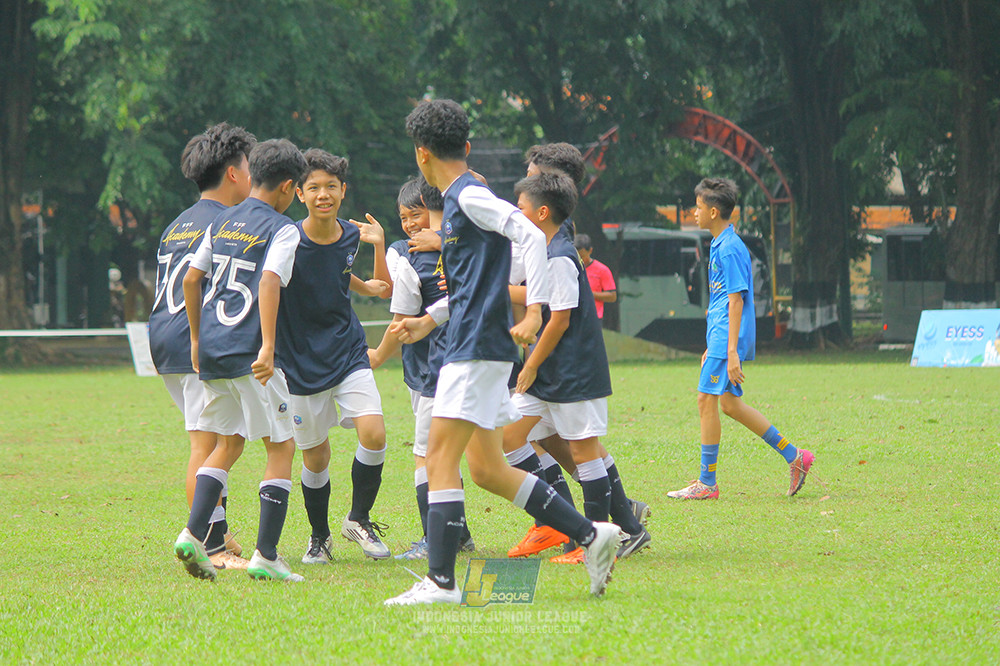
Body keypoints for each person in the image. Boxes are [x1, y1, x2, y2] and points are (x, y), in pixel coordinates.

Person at [383, 99, 623, 606]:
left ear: (421, 155)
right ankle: (592, 534)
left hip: (473, 350)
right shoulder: (463, 201)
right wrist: (431, 318)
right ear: (465, 147)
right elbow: (479, 285)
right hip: (474, 343)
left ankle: (442, 583)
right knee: (488, 470)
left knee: (440, 459)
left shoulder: (468, 196)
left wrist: (534, 311)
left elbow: (530, 232)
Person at [173, 138, 307, 583]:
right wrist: (268, 346)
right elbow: (270, 281)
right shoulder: (283, 228)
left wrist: (196, 339)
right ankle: (267, 556)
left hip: (212, 349)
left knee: (227, 444)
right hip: (252, 355)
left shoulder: (222, 220)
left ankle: (193, 533)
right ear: (289, 187)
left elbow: (193, 279)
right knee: (282, 446)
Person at [505, 173, 651, 563]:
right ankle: (556, 518)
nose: (516, 216)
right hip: (548, 373)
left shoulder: (560, 256)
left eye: (520, 209)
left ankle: (599, 541)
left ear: (542, 212)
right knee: (508, 437)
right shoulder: (546, 251)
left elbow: (560, 320)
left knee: (585, 453)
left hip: (572, 372)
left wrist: (531, 364)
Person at [277, 149, 393, 564]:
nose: (323, 194)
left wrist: (366, 284)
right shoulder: (287, 239)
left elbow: (342, 274)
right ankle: (319, 536)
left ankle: (357, 519)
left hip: (347, 349)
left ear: (343, 191)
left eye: (331, 186)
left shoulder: (349, 235)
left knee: (374, 434)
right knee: (316, 455)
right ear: (300, 195)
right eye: (314, 188)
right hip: (300, 360)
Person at [149, 122, 255, 571]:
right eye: (249, 166)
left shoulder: (178, 224)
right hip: (194, 339)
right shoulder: (229, 223)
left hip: (163, 337)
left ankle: (218, 530)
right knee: (207, 441)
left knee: (215, 437)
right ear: (233, 173)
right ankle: (206, 544)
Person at [667, 178, 814, 500]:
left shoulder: (730, 248)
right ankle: (795, 456)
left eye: (699, 207)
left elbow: (736, 300)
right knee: (730, 405)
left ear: (714, 211)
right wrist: (714, 346)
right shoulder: (721, 243)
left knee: (706, 400)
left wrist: (729, 351)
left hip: (727, 338)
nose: (694, 212)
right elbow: (723, 302)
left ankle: (707, 484)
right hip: (721, 337)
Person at [369, 176, 475, 560]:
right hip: (456, 360)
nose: (412, 224)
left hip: (437, 365)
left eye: (418, 214)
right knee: (466, 454)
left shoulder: (415, 256)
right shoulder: (468, 247)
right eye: (404, 217)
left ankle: (436, 539)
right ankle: (458, 533)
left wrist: (379, 354)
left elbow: (400, 308)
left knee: (428, 455)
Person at [573, 234, 617, 320]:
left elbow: (612, 296)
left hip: (593, 317)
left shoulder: (602, 270)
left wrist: (589, 293)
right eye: (576, 257)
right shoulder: (569, 267)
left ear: (590, 251)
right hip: (573, 316)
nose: (579, 260)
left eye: (582, 257)